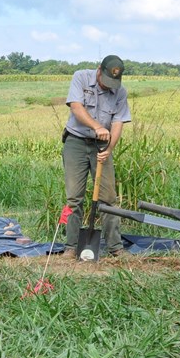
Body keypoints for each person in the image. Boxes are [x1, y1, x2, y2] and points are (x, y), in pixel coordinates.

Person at [62, 55, 131, 260]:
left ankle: (115, 248)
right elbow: (76, 108)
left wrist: (109, 148)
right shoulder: (81, 78)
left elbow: (118, 122)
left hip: (102, 146)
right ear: (99, 70)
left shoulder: (120, 92)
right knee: (74, 197)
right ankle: (71, 246)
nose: (109, 86)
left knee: (108, 197)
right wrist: (97, 126)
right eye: (106, 80)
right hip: (76, 141)